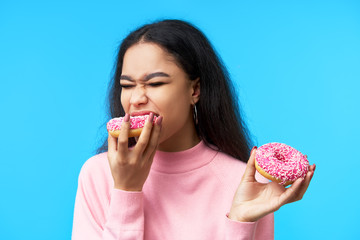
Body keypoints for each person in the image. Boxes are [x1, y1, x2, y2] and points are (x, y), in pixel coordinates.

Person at [72, 19, 315, 240]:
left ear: (195, 90)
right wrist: (126, 190)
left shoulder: (247, 184)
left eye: (155, 83)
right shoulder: (98, 174)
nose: (136, 99)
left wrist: (240, 222)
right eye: (127, 85)